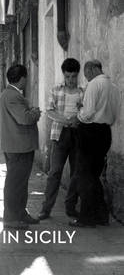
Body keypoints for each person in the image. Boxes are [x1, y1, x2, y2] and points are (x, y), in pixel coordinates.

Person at [69, 60, 120, 227]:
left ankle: (86, 218)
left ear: (91, 69)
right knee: (93, 176)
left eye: (86, 73)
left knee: (84, 176)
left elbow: (88, 112)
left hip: (90, 133)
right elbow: (112, 113)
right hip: (105, 132)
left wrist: (78, 115)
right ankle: (101, 215)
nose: (86, 77)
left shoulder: (94, 84)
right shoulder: (113, 86)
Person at [38, 58, 84, 221]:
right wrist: (67, 120)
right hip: (60, 134)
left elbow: (87, 112)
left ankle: (70, 207)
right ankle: (46, 209)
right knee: (54, 172)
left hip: (78, 135)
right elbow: (49, 111)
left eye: (73, 76)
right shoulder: (56, 90)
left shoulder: (83, 92)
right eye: (68, 77)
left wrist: (76, 120)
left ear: (77, 75)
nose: (71, 80)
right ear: (63, 76)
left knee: (76, 173)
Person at [0, 64, 41, 229]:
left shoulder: (9, 94)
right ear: (22, 78)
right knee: (15, 183)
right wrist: (35, 113)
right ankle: (11, 217)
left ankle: (20, 213)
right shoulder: (13, 96)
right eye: (26, 77)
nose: (27, 81)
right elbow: (24, 119)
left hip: (17, 146)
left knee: (20, 183)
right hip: (19, 146)